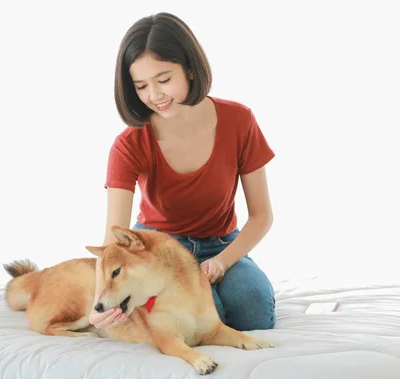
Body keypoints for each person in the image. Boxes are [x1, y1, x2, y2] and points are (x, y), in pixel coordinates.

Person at [88, 12, 276, 332]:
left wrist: (222, 262)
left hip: (221, 242)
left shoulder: (239, 121)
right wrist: (98, 306)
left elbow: (262, 216)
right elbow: (113, 239)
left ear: (190, 68)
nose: (154, 95)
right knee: (199, 321)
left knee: (252, 310)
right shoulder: (129, 144)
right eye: (141, 86)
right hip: (157, 250)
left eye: (164, 80)